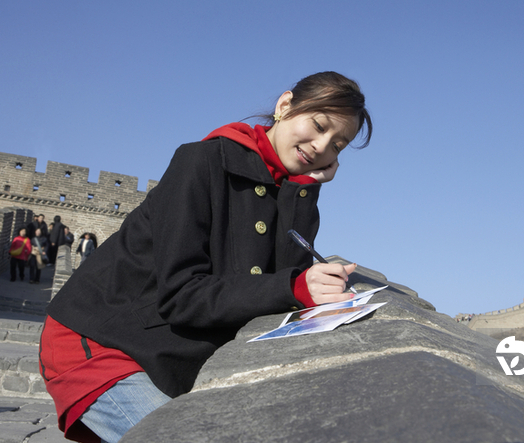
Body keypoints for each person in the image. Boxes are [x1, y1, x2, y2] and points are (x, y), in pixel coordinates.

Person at [39, 71, 372, 443]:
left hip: (168, 352)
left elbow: (272, 280)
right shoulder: (201, 161)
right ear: (284, 106)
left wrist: (305, 191)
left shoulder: (293, 192)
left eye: (338, 146)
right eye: (319, 125)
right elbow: (184, 295)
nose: (322, 146)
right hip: (101, 341)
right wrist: (295, 286)